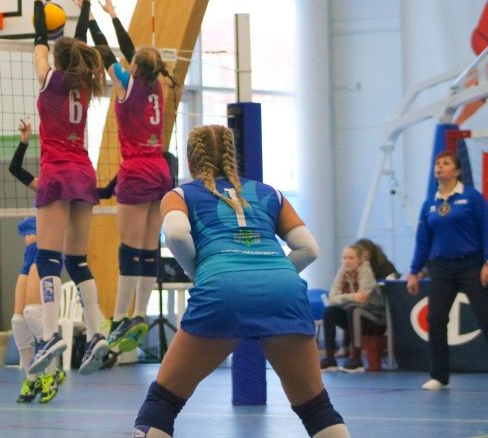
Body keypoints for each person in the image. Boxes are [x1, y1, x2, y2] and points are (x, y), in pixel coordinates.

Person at [133, 125, 349, 438]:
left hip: (222, 287)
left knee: (162, 401)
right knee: (316, 407)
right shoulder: (270, 193)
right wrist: (271, 273)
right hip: (284, 288)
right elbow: (309, 249)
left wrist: (198, 271)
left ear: (192, 162)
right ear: (233, 158)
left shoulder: (180, 195)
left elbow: (176, 234)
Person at [26, 0, 110, 376]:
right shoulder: (85, 82)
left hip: (57, 172)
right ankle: (96, 333)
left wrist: (38, 2)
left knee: (47, 258)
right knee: (78, 261)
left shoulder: (48, 79)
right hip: (83, 172)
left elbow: (40, 43)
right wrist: (86, 5)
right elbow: (73, 45)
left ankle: (49, 334)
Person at [93, 0, 176, 353]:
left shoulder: (126, 84)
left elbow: (107, 53)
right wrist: (114, 15)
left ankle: (118, 319)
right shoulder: (156, 85)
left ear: (136, 67)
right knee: (148, 248)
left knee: (129, 249)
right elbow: (131, 52)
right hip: (160, 171)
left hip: (137, 171)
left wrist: (92, 18)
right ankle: (139, 313)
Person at [407, 150, 488, 391]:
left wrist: (487, 262)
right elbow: (423, 241)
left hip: (472, 264)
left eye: (445, 163)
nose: (439, 166)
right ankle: (439, 376)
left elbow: (486, 229)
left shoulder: (472, 198)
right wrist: (414, 270)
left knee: (485, 316)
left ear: (457, 171)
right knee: (436, 319)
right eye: (437, 163)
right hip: (442, 267)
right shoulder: (429, 204)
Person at [8, 118, 66, 403]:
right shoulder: (42, 186)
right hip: (28, 254)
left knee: (33, 313)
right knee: (18, 320)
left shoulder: (65, 190)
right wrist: (24, 141)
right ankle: (31, 379)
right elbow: (15, 169)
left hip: (47, 253)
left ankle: (51, 373)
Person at [319, 244, 385, 373]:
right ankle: (329, 358)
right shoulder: (342, 272)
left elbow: (363, 299)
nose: (346, 261)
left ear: (360, 260)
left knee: (353, 310)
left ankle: (356, 359)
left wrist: (344, 298)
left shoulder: (365, 271)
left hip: (374, 319)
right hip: (353, 316)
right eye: (344, 258)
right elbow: (331, 298)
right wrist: (353, 296)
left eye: (351, 258)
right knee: (329, 311)